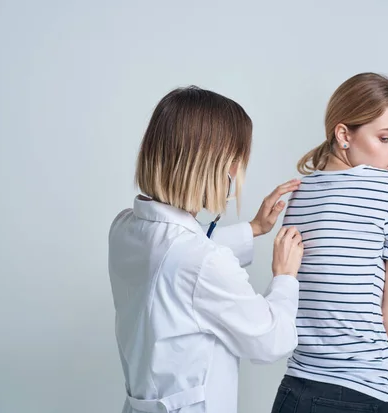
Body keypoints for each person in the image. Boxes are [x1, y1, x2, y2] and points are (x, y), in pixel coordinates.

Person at [109, 86, 304, 413]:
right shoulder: (200, 260)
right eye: (237, 162)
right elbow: (272, 341)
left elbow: (170, 262)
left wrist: (253, 229)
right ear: (216, 165)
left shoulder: (125, 227)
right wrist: (284, 278)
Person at [271, 73, 388, 413]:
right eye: (385, 138)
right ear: (343, 135)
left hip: (295, 390)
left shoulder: (298, 192)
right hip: (365, 390)